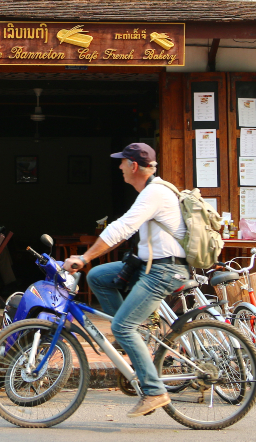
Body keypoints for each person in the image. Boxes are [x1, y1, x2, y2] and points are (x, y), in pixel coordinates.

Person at [63, 143, 189, 419]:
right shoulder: (150, 190)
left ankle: (154, 391)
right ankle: (133, 338)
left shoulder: (154, 193)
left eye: (122, 162)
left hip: (164, 270)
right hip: (148, 265)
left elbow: (121, 229)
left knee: (122, 325)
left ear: (133, 166)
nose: (119, 167)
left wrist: (84, 258)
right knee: (98, 276)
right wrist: (90, 265)